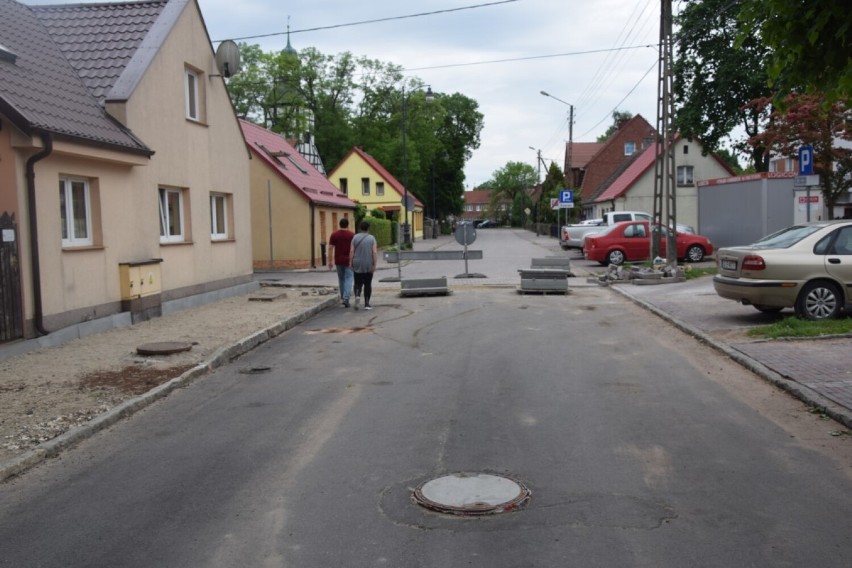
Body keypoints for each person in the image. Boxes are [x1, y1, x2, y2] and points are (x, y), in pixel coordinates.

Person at [350, 220, 378, 310]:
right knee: (367, 283)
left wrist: (350, 262)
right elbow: (374, 251)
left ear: (360, 228)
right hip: (368, 262)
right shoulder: (372, 238)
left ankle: (357, 295)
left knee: (357, 282)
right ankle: (366, 303)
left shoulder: (355, 237)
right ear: (368, 228)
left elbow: (351, 251)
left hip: (357, 261)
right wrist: (374, 264)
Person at [328, 217, 354, 307]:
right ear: (347, 225)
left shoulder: (334, 235)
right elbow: (354, 249)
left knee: (341, 279)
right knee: (349, 278)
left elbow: (330, 248)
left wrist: (330, 261)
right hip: (349, 260)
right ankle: (346, 297)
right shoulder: (352, 235)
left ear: (339, 224)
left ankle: (343, 297)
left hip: (338, 260)